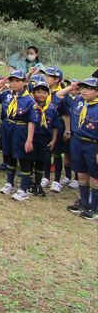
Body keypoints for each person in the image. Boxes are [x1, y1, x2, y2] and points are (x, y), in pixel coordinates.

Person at [0, 70, 37, 201]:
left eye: (17, 81)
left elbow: (32, 121)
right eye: (12, 81)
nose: (14, 83)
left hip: (21, 129)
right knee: (9, 155)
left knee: (23, 158)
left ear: (25, 82)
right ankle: (10, 183)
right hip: (7, 127)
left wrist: (29, 140)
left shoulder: (29, 100)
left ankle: (24, 189)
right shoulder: (7, 95)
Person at [61, 77, 98, 219]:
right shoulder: (78, 101)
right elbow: (59, 95)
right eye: (83, 88)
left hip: (93, 145)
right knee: (82, 175)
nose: (84, 91)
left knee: (95, 177)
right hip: (77, 141)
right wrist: (72, 87)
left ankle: (95, 208)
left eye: (88, 88)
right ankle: (84, 204)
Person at [28, 80, 59, 197]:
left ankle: (38, 184)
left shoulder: (51, 109)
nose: (41, 95)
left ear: (48, 94)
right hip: (33, 137)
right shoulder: (31, 106)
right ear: (33, 93)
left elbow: (55, 126)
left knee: (41, 161)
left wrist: (54, 140)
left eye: (44, 92)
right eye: (38, 92)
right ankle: (29, 182)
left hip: (45, 139)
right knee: (29, 160)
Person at [42, 66, 67, 192]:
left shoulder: (62, 94)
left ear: (57, 79)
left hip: (58, 126)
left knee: (57, 153)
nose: (46, 78)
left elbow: (66, 113)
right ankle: (46, 177)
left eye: (48, 76)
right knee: (46, 152)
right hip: (46, 125)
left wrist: (68, 130)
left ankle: (56, 180)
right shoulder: (44, 91)